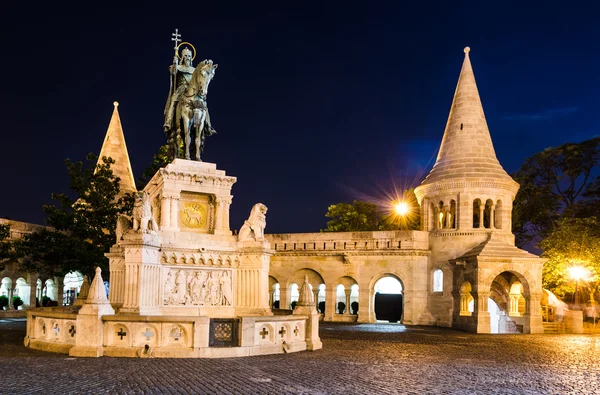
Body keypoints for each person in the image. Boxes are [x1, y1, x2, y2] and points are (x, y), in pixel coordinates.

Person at [164, 47, 196, 132]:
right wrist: (175, 64)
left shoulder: (194, 70)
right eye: (185, 56)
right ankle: (168, 121)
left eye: (189, 56)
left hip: (192, 90)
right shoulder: (179, 67)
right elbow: (173, 72)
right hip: (181, 89)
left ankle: (206, 124)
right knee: (173, 101)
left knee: (202, 104)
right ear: (182, 57)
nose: (187, 58)